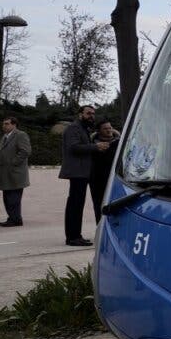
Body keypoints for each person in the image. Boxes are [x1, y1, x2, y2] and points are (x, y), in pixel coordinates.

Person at [59, 105, 108, 246]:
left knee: (77, 204)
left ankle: (75, 235)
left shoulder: (83, 128)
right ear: (80, 114)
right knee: (75, 205)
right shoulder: (74, 128)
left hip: (82, 172)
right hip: (77, 172)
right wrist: (96, 147)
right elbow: (73, 147)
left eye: (93, 114)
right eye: (88, 113)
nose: (91, 116)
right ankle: (73, 237)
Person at [0, 116, 31, 227]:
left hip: (16, 173)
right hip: (5, 173)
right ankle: (13, 218)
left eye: (7, 124)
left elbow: (25, 151)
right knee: (7, 198)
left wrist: (13, 162)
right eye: (3, 124)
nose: (4, 126)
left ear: (14, 124)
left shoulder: (21, 135)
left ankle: (15, 219)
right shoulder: (4, 137)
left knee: (14, 198)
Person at [89, 120, 121, 223]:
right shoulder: (93, 144)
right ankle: (100, 226)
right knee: (99, 204)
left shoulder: (120, 143)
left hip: (116, 179)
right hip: (97, 180)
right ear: (99, 131)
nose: (109, 130)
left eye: (110, 127)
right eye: (105, 128)